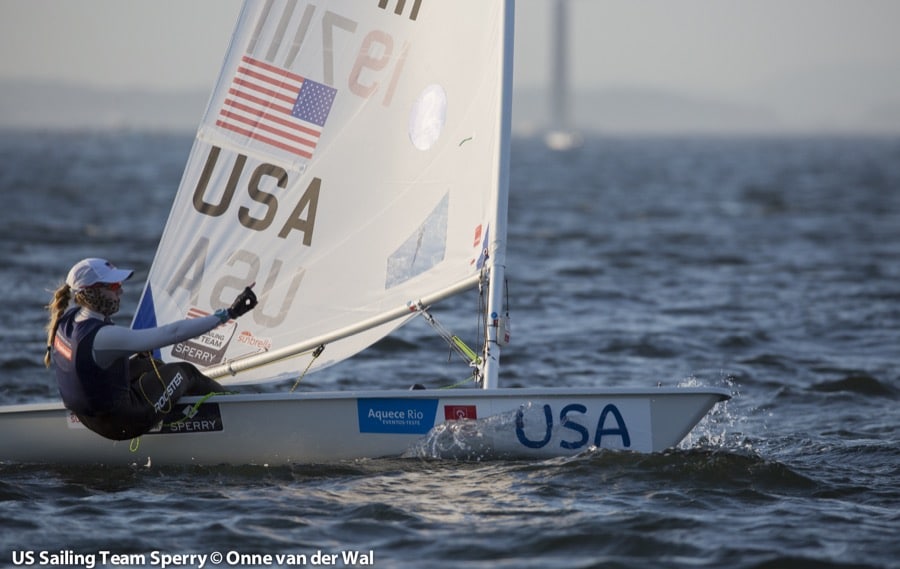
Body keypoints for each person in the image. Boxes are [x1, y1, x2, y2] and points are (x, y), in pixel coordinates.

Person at [45, 257, 258, 441]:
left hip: (87, 418)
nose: (121, 290)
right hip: (122, 424)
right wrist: (228, 314)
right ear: (90, 293)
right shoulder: (104, 337)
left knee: (147, 365)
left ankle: (183, 410)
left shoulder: (67, 319)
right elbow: (172, 334)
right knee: (186, 372)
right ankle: (238, 415)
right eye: (113, 286)